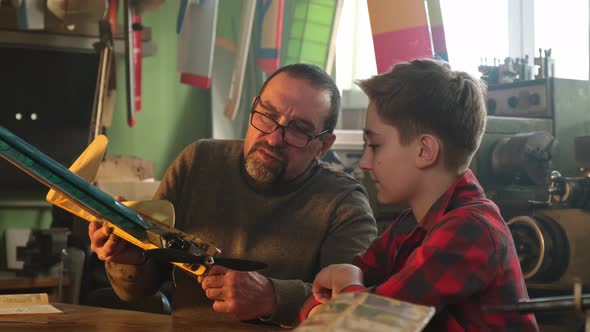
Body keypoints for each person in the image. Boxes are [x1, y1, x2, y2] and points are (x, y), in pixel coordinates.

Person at [88, 63, 377, 326]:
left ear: (324, 145)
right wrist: (129, 259)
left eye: (299, 130)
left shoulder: (344, 203)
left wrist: (274, 297)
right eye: (267, 116)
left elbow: (352, 311)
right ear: (253, 109)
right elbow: (135, 292)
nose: (274, 138)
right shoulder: (197, 162)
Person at [300, 59, 538, 331]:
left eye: (375, 145)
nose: (365, 162)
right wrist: (344, 292)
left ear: (424, 151)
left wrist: (346, 280)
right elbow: (316, 309)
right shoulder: (410, 225)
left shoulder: (471, 230)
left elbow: (362, 326)